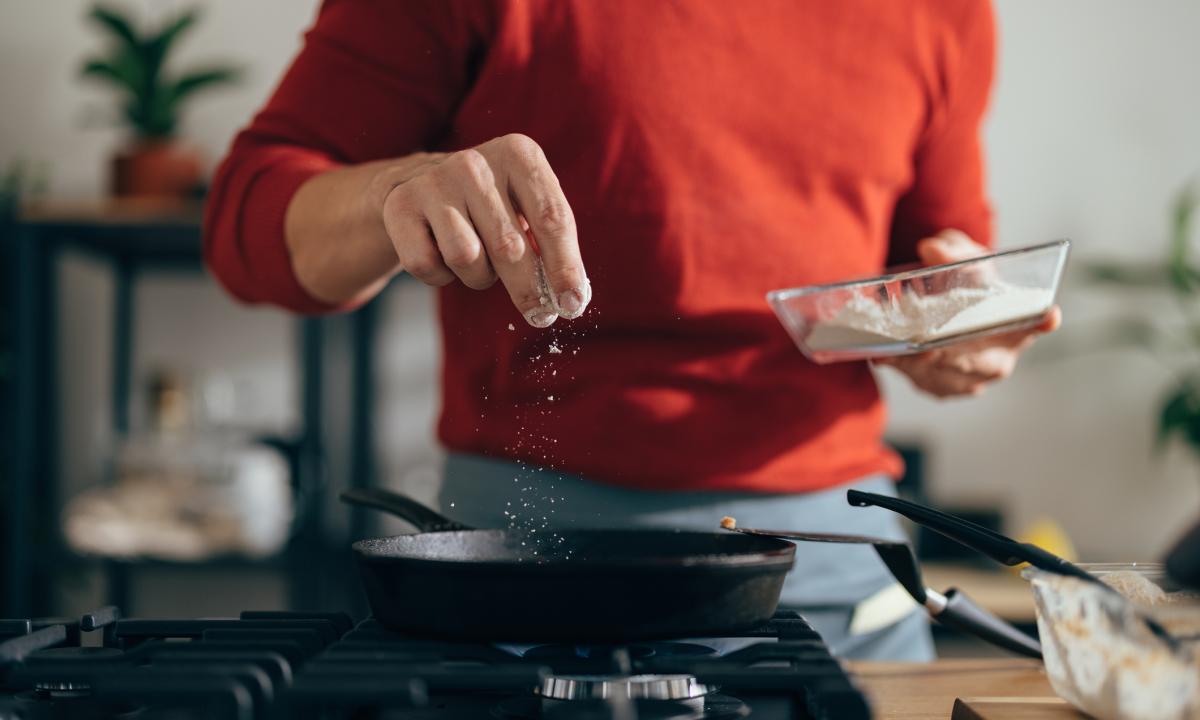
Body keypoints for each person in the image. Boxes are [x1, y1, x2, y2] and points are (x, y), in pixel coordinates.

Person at [204, 0, 1058, 661]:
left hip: (834, 568)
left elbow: (937, 271)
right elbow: (246, 220)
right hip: (524, 563)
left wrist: (959, 332)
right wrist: (395, 193)